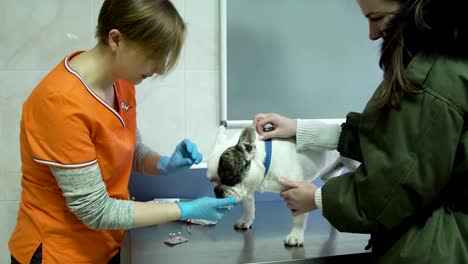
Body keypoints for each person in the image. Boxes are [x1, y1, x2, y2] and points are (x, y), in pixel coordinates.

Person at [8, 0, 236, 263]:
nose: (160, 69)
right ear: (116, 39)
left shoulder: (123, 83)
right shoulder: (59, 103)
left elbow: (131, 150)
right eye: (154, 55)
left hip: (107, 244)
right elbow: (95, 211)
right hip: (58, 253)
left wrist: (163, 164)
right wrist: (184, 209)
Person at [254, 0, 468, 263]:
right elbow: (391, 141)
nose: (372, 34)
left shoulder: (432, 77)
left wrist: (319, 197)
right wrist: (299, 129)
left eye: (376, 18)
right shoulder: (448, 59)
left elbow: (390, 191)